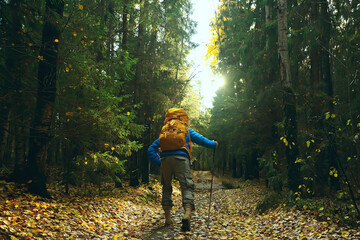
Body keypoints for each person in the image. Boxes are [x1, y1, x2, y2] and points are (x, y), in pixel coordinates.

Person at [147, 108, 218, 231]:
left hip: (165, 160)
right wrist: (214, 144)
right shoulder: (186, 131)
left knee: (166, 187)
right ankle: (187, 214)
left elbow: (150, 150)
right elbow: (204, 141)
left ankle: (168, 218)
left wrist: (160, 164)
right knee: (186, 186)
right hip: (181, 159)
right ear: (183, 118)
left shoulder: (164, 133)